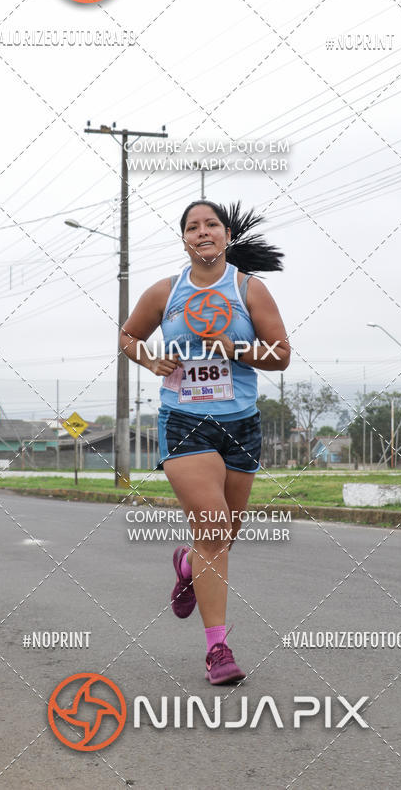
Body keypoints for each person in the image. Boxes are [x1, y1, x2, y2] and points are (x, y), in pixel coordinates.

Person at [120, 200, 290, 684]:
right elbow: (128, 337)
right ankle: (218, 650)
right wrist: (151, 360)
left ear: (226, 234)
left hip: (240, 425)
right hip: (183, 421)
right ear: (184, 240)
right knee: (214, 528)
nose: (202, 232)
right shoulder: (164, 292)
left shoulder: (248, 290)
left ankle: (188, 563)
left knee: (221, 539)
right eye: (192, 227)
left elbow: (281, 354)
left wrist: (235, 348)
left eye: (210, 224)